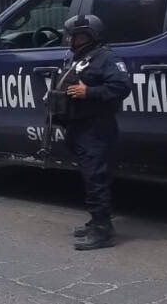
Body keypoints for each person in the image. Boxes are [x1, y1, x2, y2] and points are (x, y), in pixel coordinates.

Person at [54, 14, 132, 251]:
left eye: (75, 36)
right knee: (89, 176)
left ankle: (103, 230)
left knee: (96, 177)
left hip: (96, 127)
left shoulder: (106, 58)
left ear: (89, 35)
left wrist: (89, 92)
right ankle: (95, 221)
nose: (70, 40)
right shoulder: (80, 58)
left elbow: (121, 87)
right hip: (79, 126)